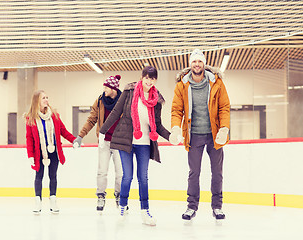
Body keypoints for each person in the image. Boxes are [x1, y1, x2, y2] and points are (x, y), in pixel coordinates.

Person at [99, 66, 170, 226]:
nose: (149, 81)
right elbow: (116, 112)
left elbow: (158, 125)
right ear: (142, 77)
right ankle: (122, 207)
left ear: (155, 80)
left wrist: (170, 136)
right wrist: (103, 132)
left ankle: (145, 211)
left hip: (145, 143)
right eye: (147, 78)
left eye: (152, 79)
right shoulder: (130, 92)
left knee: (143, 178)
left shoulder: (156, 100)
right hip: (126, 141)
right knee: (127, 176)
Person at [170, 49, 230, 220]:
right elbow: (176, 110)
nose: (197, 64)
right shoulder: (182, 85)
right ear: (190, 65)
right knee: (194, 172)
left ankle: (217, 207)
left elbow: (224, 107)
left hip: (214, 135)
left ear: (204, 64)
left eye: (200, 61)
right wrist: (175, 128)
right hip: (194, 135)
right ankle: (191, 206)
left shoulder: (216, 82)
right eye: (194, 61)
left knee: (217, 172)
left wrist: (224, 128)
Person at [73, 75, 123, 212]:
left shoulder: (123, 101)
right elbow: (91, 120)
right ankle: (101, 196)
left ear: (113, 88)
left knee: (121, 173)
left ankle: (119, 196)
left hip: (119, 142)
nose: (104, 89)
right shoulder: (100, 101)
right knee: (102, 172)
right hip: (104, 142)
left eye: (106, 87)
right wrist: (80, 136)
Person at [25, 90, 76, 214]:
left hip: (54, 151)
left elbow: (63, 131)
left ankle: (53, 199)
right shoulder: (31, 118)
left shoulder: (54, 115)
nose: (46, 100)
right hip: (39, 152)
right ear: (37, 101)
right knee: (39, 176)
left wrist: (74, 140)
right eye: (43, 98)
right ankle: (38, 201)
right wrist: (30, 154)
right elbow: (29, 138)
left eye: (47, 97)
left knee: (53, 176)